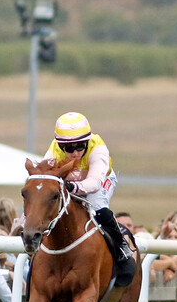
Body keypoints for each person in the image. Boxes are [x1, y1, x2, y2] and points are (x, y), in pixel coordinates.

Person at [43, 112, 132, 263]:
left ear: (87, 141)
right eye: (69, 148)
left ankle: (120, 244)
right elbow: (45, 178)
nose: (76, 152)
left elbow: (95, 182)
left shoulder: (97, 147)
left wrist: (72, 187)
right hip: (71, 183)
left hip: (100, 180)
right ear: (59, 145)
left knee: (98, 209)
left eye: (80, 146)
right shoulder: (53, 151)